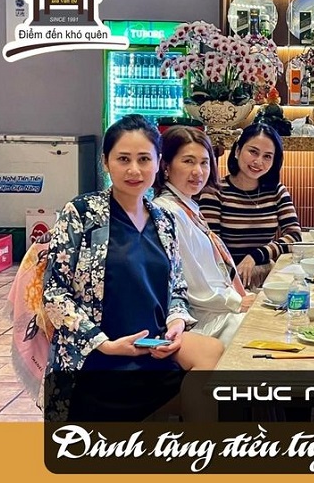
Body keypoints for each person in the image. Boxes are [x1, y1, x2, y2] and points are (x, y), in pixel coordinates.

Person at [42, 115, 223, 421]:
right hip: (97, 356)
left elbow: (177, 288)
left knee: (217, 359)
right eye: (123, 159)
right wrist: (104, 343)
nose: (134, 170)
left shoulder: (164, 220)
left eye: (144, 159)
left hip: (153, 349)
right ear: (105, 162)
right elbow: (54, 293)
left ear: (159, 163)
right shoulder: (82, 213)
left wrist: (176, 323)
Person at [153, 126, 257, 345]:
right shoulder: (168, 212)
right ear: (165, 166)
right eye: (188, 161)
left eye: (204, 162)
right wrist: (237, 302)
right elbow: (193, 286)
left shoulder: (188, 206)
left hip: (219, 307)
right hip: (203, 319)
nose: (198, 171)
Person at [198, 121, 302, 289]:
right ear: (238, 151)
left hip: (266, 278)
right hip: (225, 281)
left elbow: (295, 236)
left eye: (267, 156)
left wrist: (255, 256)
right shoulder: (215, 192)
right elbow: (212, 247)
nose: (258, 161)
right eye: (253, 152)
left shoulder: (277, 191)